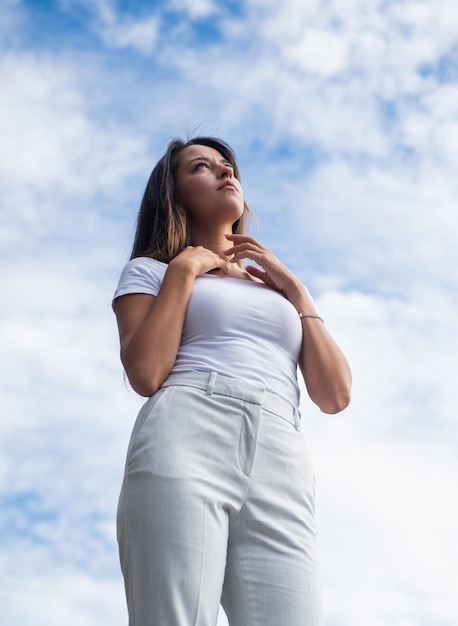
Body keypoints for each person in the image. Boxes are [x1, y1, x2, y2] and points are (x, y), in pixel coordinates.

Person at [112, 136, 352, 626]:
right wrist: (184, 270)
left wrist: (297, 292)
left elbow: (334, 395)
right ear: (173, 194)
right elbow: (146, 373)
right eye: (202, 167)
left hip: (281, 450)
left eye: (229, 166)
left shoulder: (277, 289)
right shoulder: (152, 270)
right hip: (187, 430)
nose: (226, 174)